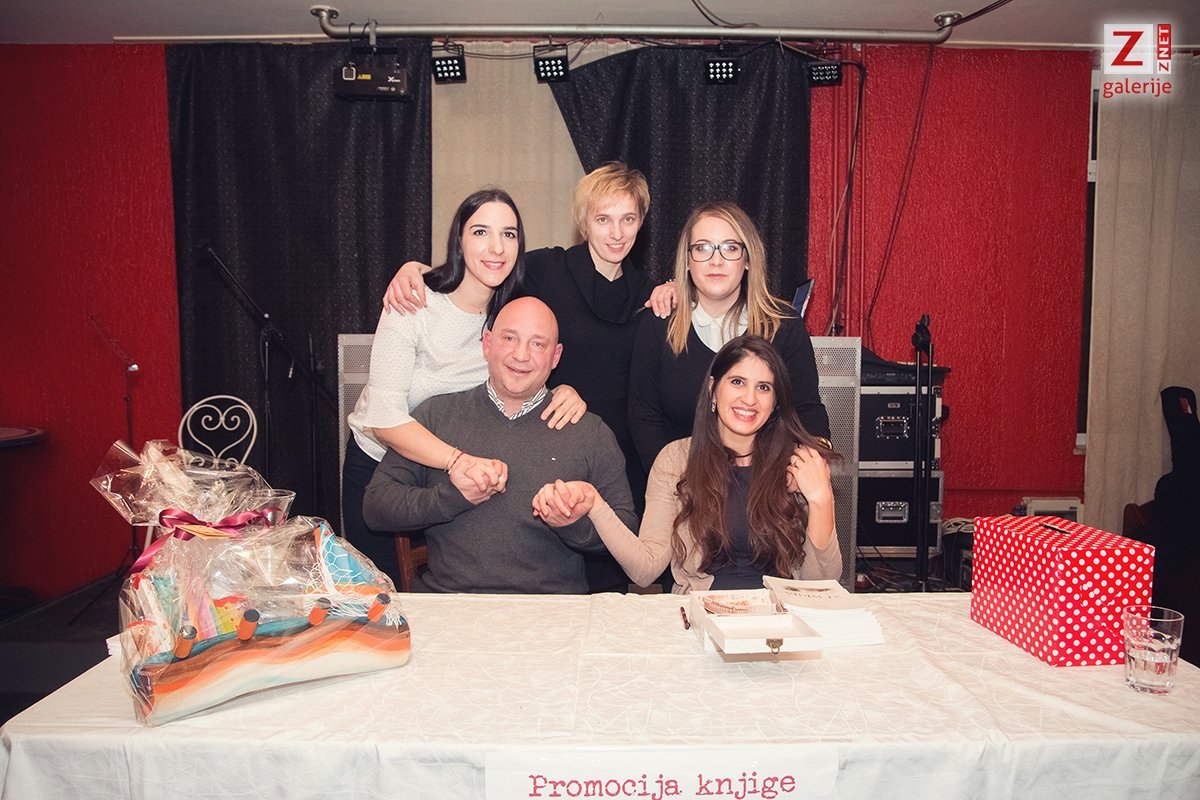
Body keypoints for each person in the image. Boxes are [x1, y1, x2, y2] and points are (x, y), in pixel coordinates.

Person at [383, 163, 656, 592]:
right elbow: (482, 264)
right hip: (540, 428)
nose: (616, 232)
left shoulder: (651, 293)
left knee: (594, 584)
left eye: (628, 219)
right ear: (583, 221)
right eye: (603, 218)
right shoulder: (546, 268)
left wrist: (677, 289)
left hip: (603, 449)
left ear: (642, 222)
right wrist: (415, 269)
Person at [344, 189, 585, 583]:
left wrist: (564, 391)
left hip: (452, 477)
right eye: (480, 232)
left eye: (509, 234)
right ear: (459, 239)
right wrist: (459, 461)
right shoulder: (414, 302)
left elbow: (525, 375)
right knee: (380, 597)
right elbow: (385, 420)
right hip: (385, 472)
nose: (496, 247)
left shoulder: (508, 315)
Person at [363, 297, 638, 594]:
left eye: (537, 344)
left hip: (551, 608)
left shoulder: (589, 432)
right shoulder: (436, 416)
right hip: (451, 602)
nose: (521, 355)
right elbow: (376, 508)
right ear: (487, 344)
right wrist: (452, 497)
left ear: (555, 357)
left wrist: (572, 524)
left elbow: (627, 532)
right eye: (509, 338)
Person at [533, 335, 841, 593]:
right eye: (737, 382)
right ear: (713, 389)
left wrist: (821, 499)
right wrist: (596, 506)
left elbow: (823, 585)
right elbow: (645, 570)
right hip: (700, 622)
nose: (750, 399)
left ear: (775, 402)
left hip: (778, 621)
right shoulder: (675, 460)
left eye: (764, 387)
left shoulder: (797, 465)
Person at [627, 201, 831, 476]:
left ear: (748, 260)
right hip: (679, 482)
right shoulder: (658, 324)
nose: (716, 260)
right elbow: (643, 417)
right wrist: (676, 481)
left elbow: (807, 410)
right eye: (703, 248)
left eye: (730, 248)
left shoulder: (784, 326)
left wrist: (807, 462)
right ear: (687, 261)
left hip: (764, 485)